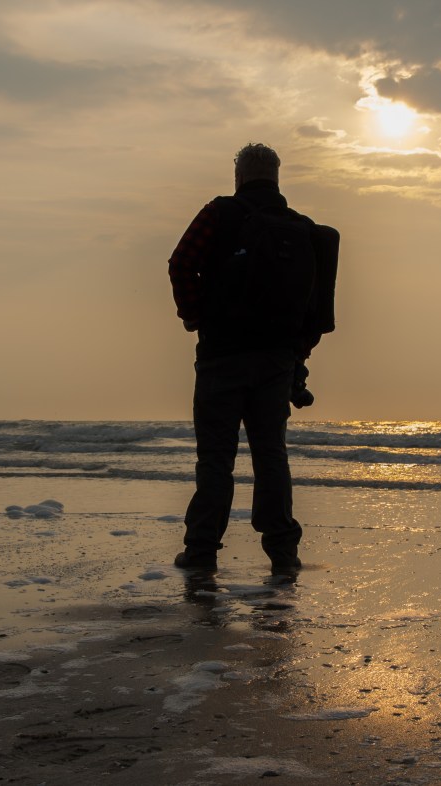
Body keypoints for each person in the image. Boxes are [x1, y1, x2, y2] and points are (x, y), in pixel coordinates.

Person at [167, 142, 337, 574]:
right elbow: (315, 308)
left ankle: (202, 552)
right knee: (271, 455)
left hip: (221, 358)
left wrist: (195, 316)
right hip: (276, 363)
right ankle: (283, 553)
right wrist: (296, 355)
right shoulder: (300, 229)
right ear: (276, 177)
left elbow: (182, 262)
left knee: (216, 459)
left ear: (239, 176)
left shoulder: (220, 213)